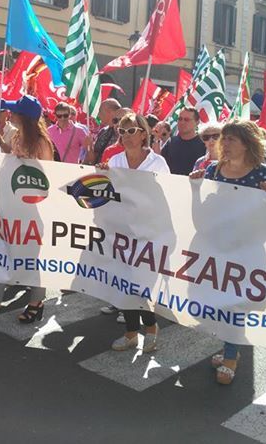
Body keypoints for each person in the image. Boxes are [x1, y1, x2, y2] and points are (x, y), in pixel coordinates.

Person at [189, 120, 266, 384]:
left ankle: (230, 355)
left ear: (247, 144)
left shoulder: (262, 173)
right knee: (215, 301)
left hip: (246, 250)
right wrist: (195, 190)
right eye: (223, 138)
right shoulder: (214, 170)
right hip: (217, 247)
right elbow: (205, 214)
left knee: (235, 303)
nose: (224, 143)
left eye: (231, 139)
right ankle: (230, 345)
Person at [0, 95, 53, 325]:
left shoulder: (42, 143)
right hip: (8, 208)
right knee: (2, 253)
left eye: (15, 112)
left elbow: (48, 175)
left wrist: (25, 161)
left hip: (32, 211)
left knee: (31, 259)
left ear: (24, 117)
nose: (10, 114)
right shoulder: (16, 136)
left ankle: (36, 302)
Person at [99, 113, 170, 352]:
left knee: (140, 286)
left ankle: (150, 327)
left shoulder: (157, 163)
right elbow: (107, 193)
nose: (126, 136)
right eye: (122, 131)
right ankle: (131, 333)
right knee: (123, 283)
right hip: (121, 232)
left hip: (148, 233)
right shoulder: (116, 160)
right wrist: (102, 175)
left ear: (143, 134)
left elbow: (167, 196)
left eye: (131, 131)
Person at [160, 107, 206, 175]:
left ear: (197, 122)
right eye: (180, 119)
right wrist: (156, 139)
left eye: (186, 120)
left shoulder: (204, 145)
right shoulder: (171, 142)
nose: (182, 122)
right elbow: (159, 162)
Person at [86, 98, 121, 164]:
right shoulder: (103, 131)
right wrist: (90, 147)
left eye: (100, 111)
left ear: (110, 112)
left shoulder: (123, 132)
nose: (99, 115)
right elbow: (93, 160)